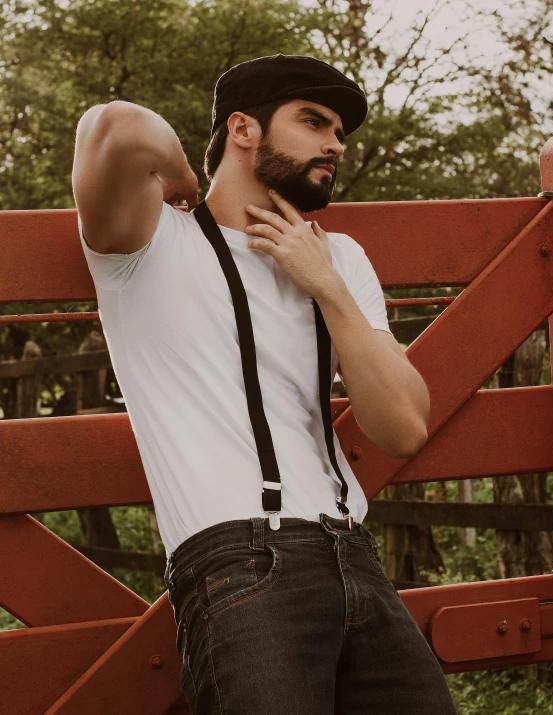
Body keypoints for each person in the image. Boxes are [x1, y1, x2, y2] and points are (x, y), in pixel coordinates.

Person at [72, 53, 457, 714]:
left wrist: (327, 287)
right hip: (236, 563)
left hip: (353, 555)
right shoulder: (150, 244)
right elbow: (113, 127)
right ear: (244, 130)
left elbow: (403, 426)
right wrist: (186, 176)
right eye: (313, 121)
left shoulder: (341, 259)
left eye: (339, 130)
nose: (334, 143)